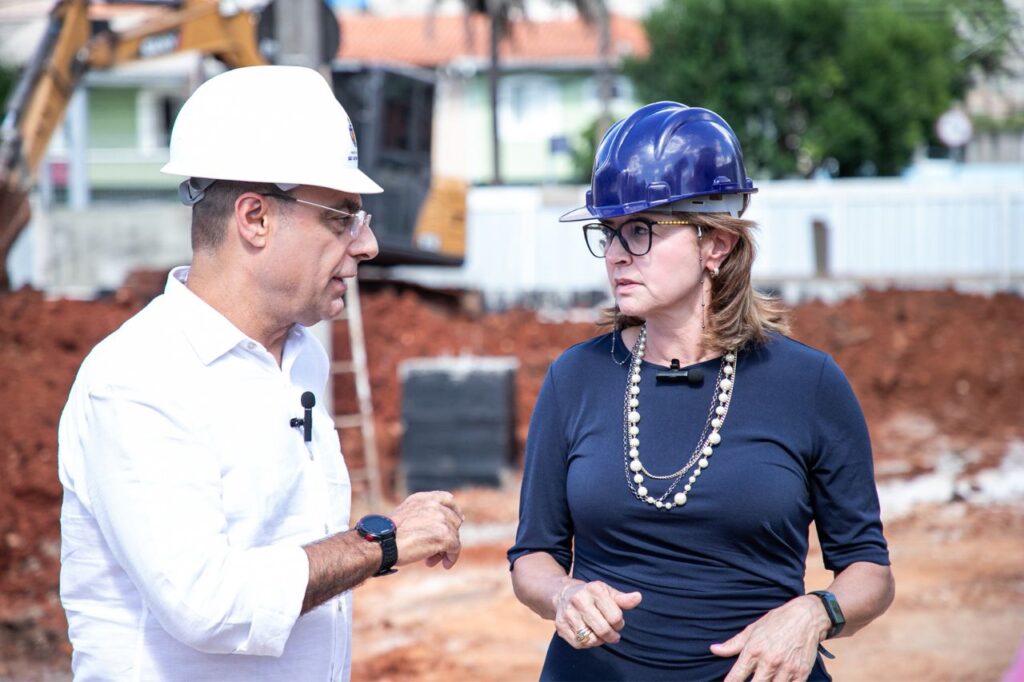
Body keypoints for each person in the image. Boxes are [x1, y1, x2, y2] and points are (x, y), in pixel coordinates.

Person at [57, 65, 463, 681]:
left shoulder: (300, 357)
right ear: (254, 219)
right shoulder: (140, 377)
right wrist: (379, 543)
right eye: (341, 216)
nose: (367, 245)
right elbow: (206, 603)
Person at [508, 101, 894, 681]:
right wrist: (563, 594)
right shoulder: (575, 378)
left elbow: (870, 570)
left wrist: (816, 613)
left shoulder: (808, 383)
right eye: (608, 233)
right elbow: (530, 556)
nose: (616, 254)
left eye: (639, 231)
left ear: (715, 245)